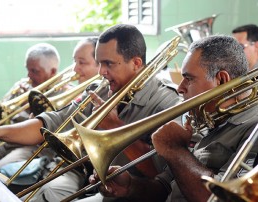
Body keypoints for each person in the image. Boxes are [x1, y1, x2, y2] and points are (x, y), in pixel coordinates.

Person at [0, 24, 181, 201]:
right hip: (88, 177)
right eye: (99, 63)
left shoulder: (166, 101)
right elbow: (51, 122)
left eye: (109, 64)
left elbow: (161, 172)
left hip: (130, 191)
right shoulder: (101, 89)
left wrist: (114, 126)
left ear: (136, 63)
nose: (101, 72)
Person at [82, 35, 258, 202]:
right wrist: (129, 186)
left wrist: (175, 150)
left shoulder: (253, 130)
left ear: (221, 80)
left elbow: (218, 199)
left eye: (188, 79)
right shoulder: (204, 118)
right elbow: (164, 187)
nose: (180, 88)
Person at [0, 43, 61, 170]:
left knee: (0, 170)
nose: (29, 76)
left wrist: (28, 107)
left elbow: (50, 131)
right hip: (8, 138)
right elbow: (1, 113)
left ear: (53, 71)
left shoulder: (62, 94)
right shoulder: (23, 86)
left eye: (34, 71)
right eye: (28, 69)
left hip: (33, 145)